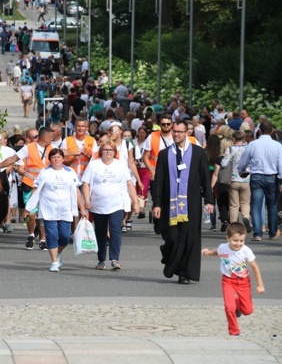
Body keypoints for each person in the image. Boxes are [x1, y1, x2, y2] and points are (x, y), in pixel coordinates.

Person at [153, 121, 214, 284]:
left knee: (190, 238)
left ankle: (184, 273)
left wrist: (209, 200)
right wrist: (156, 204)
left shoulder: (198, 153)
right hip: (169, 203)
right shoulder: (165, 154)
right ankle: (169, 257)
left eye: (180, 132)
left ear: (187, 133)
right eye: (174, 131)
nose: (176, 135)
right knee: (172, 237)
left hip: (192, 202)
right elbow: (158, 181)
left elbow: (205, 179)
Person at [0, 127, 53, 250]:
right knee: (30, 213)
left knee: (44, 214)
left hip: (45, 186)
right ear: (45, 137)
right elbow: (12, 159)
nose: (52, 139)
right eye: (50, 137)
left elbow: (63, 153)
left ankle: (43, 239)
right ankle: (31, 234)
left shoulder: (51, 148)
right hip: (30, 185)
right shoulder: (28, 148)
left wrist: (76, 152)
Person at [81, 141, 139, 271]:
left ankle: (115, 259)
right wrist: (87, 201)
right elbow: (86, 183)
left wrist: (135, 201)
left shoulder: (120, 165)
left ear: (115, 152)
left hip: (116, 204)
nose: (108, 152)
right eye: (105, 150)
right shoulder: (94, 164)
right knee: (100, 232)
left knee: (115, 230)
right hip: (98, 204)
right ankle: (101, 260)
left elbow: (129, 184)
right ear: (101, 151)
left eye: (110, 150)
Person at [26, 148, 85, 272]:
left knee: (64, 236)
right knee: (52, 235)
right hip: (48, 208)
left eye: (58, 157)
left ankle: (57, 253)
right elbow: (36, 189)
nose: (56, 159)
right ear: (50, 160)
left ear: (63, 159)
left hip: (66, 209)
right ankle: (54, 261)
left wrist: (82, 209)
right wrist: (29, 207)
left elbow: (76, 191)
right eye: (53, 157)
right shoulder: (45, 172)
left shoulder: (70, 172)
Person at [202, 222, 265, 336]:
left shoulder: (246, 251)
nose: (238, 244)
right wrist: (208, 252)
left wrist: (260, 285)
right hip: (228, 281)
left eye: (241, 241)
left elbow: (255, 267)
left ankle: (238, 304)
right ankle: (234, 331)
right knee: (229, 307)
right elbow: (217, 252)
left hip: (243, 282)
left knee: (248, 311)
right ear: (228, 238)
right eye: (235, 240)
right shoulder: (223, 247)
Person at [237, 120, 282, 241]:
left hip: (256, 176)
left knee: (256, 205)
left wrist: (241, 170)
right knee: (272, 206)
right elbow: (280, 164)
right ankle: (272, 232)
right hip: (272, 177)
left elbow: (244, 160)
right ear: (272, 131)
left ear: (259, 131)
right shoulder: (278, 146)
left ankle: (257, 233)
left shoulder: (253, 144)